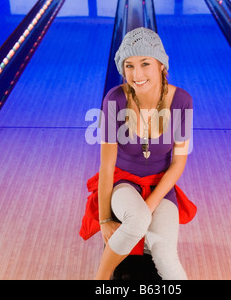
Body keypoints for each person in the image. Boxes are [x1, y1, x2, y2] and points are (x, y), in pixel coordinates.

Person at [79, 27, 196, 280]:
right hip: (123, 181)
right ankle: (101, 276)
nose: (137, 74)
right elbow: (107, 167)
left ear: (161, 66)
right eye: (129, 65)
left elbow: (178, 163)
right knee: (137, 220)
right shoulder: (115, 100)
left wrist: (151, 204)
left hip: (160, 185)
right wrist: (104, 220)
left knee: (165, 254)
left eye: (145, 63)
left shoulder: (182, 101)